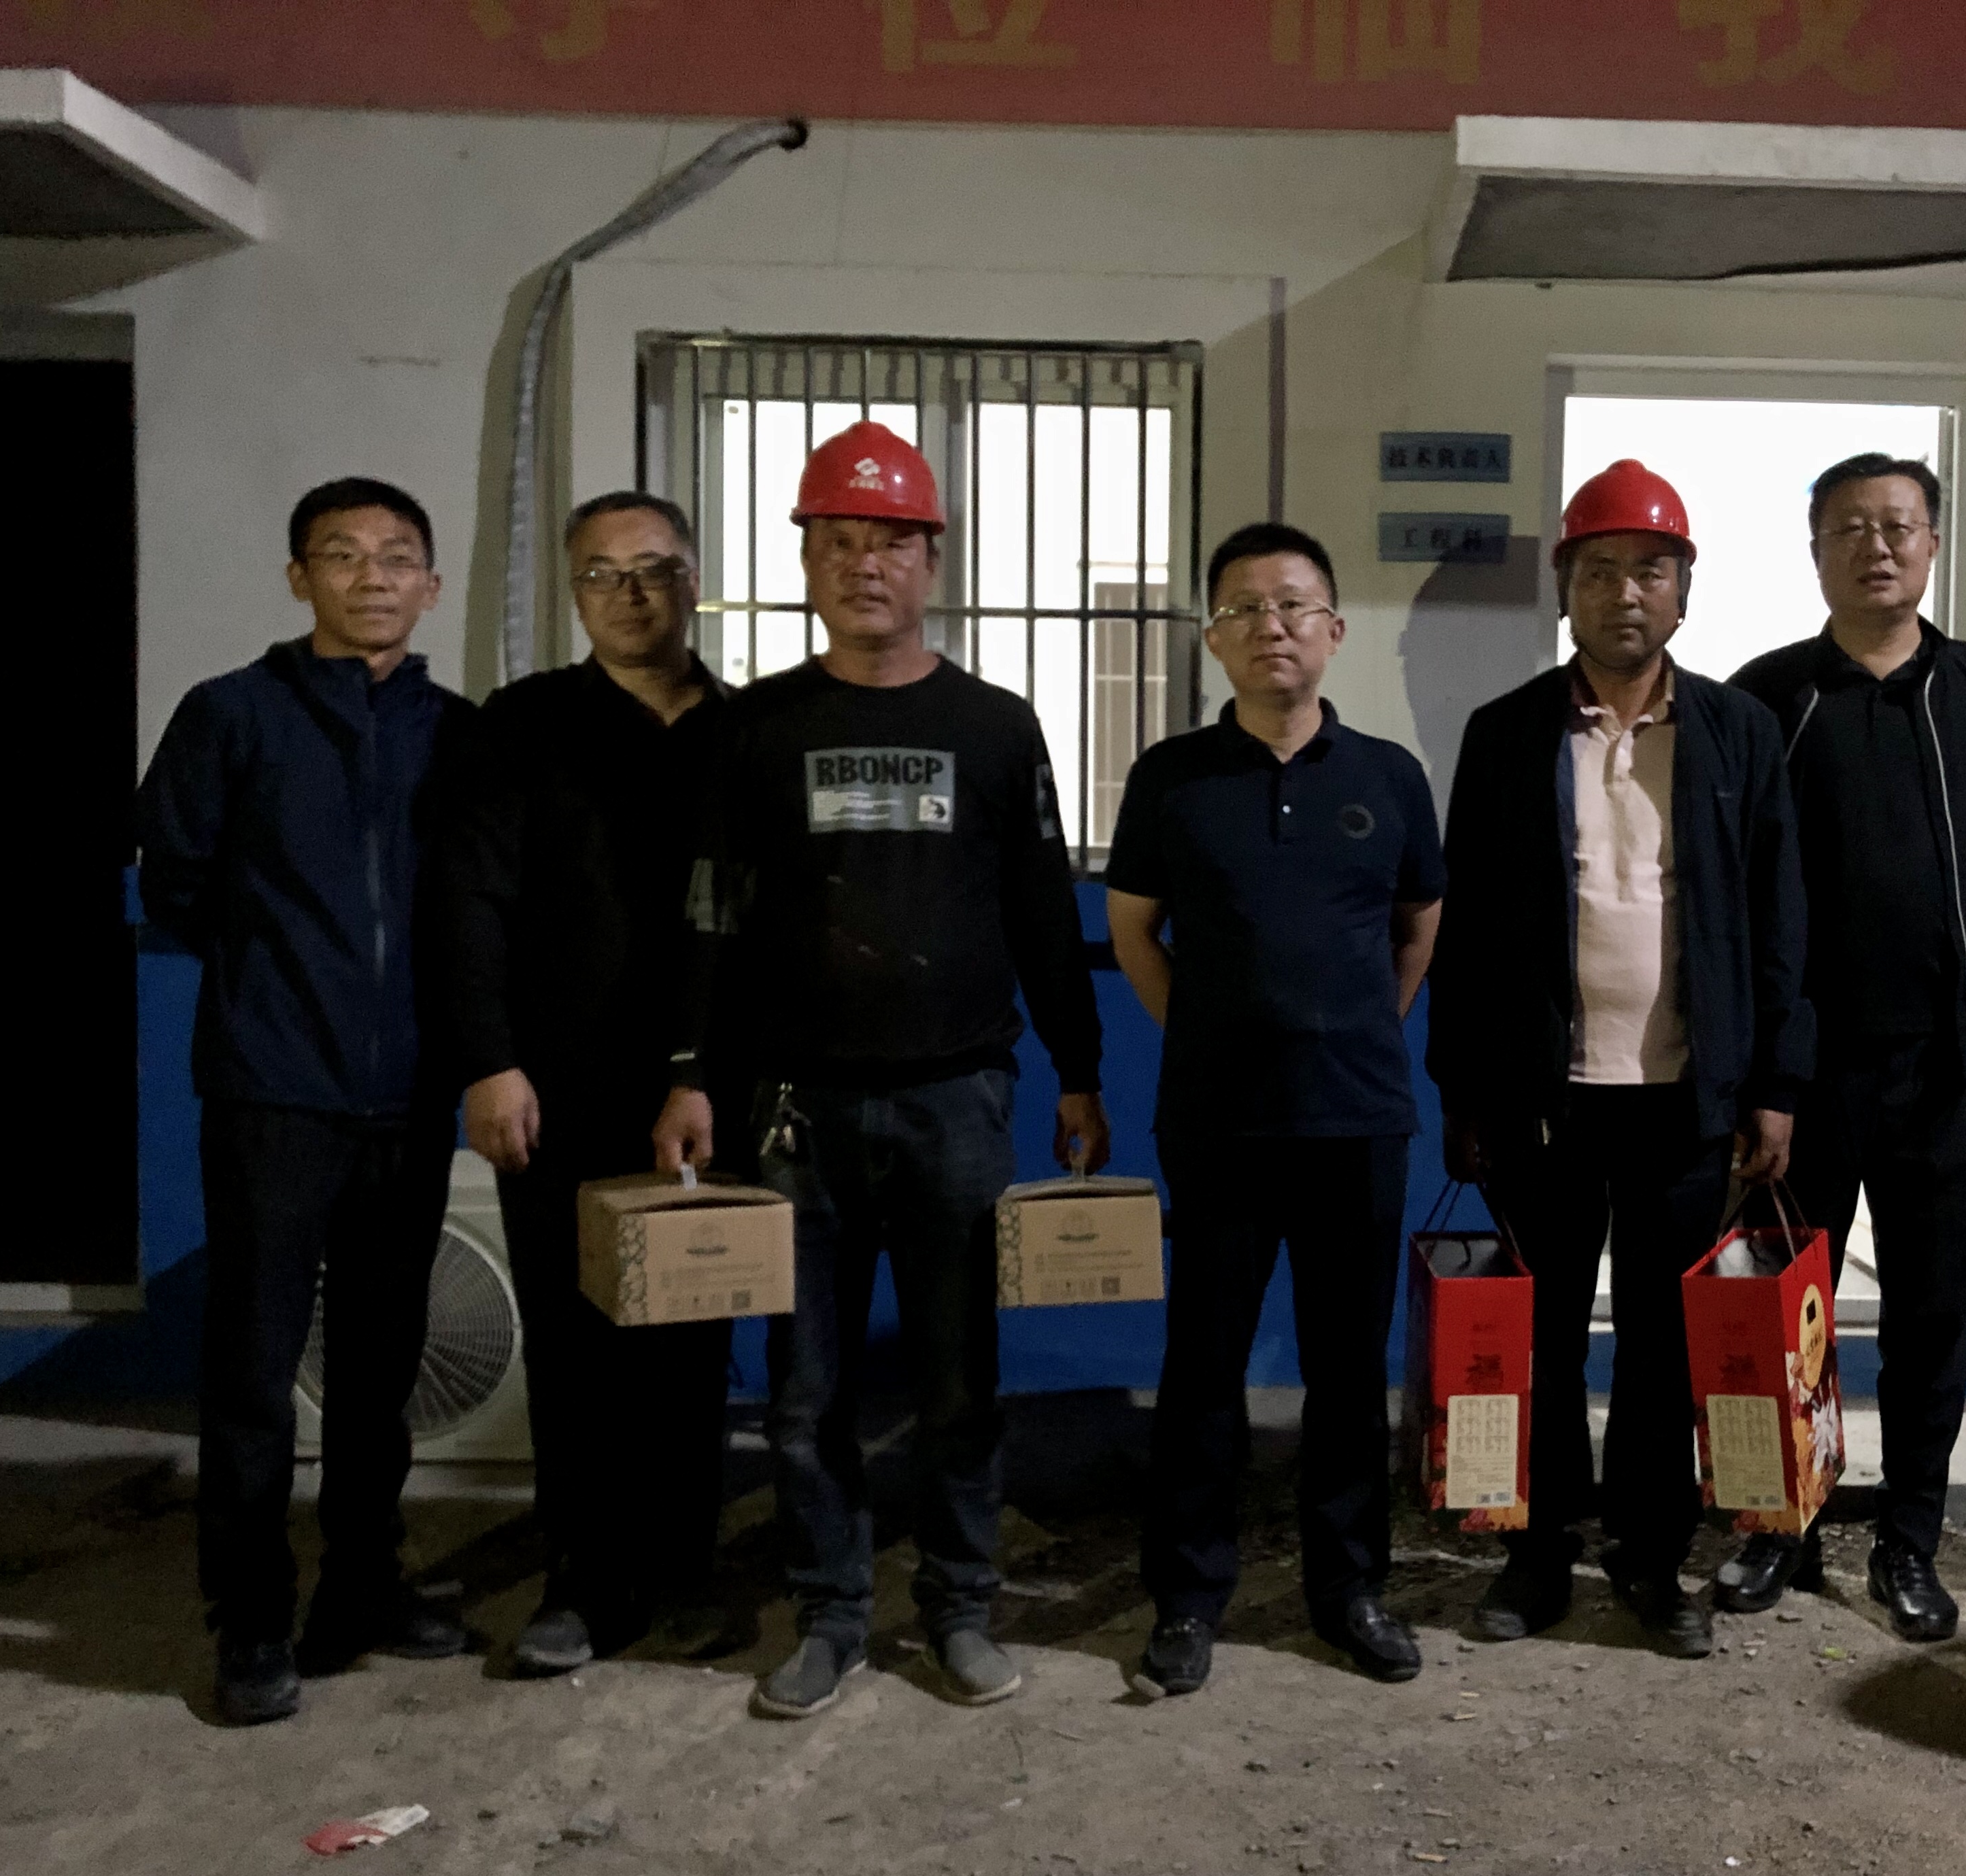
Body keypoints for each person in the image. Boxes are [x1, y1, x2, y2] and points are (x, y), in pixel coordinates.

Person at [654, 422, 1108, 1718]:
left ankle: (960, 1610)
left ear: (932, 564)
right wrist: (689, 1072)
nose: (866, 564)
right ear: (807, 559)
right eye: (840, 541)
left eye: (892, 543)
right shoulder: (755, 729)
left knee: (961, 1387)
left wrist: (1079, 1072)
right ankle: (831, 1615)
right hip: (794, 1110)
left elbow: (1041, 914)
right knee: (807, 1396)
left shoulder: (997, 728)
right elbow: (711, 913)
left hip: (959, 1102)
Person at [1431, 460, 1809, 1660]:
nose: (1626, 592)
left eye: (1651, 570)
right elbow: (1465, 928)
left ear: (1684, 592)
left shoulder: (1740, 734)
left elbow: (1779, 918)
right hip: (1543, 1099)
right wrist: (1463, 1090)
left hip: (1686, 1100)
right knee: (1538, 1334)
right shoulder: (1505, 735)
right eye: (1600, 570)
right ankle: (1536, 1554)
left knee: (1661, 1342)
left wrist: (1773, 1085)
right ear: (1567, 589)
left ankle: (1650, 1557)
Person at [135, 478, 473, 1726]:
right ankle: (251, 1619)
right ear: (299, 579)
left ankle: (364, 1585)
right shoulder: (230, 714)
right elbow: (176, 882)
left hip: (410, 1101)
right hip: (273, 1096)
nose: (372, 576)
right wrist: (277, 986)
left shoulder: (459, 732)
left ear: (431, 584)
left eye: (397, 556)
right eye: (342, 555)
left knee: (381, 1370)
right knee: (253, 1372)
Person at [1106, 522, 1445, 1699]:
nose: (1272, 627)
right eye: (1244, 608)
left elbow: (1419, 929)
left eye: (1294, 605)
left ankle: (1349, 1591)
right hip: (1217, 1123)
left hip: (1357, 1121)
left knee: (1348, 1373)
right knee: (1202, 1369)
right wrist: (1205, 1035)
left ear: (1334, 630)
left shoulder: (1389, 779)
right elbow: (1134, 931)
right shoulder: (1171, 778)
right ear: (1214, 639)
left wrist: (1358, 1031)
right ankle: (1187, 1598)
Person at [1728, 453, 1966, 1643]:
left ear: (1933, 545)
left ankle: (1910, 1542)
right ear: (1816, 549)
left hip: (1945, 1073)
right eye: (1851, 528)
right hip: (1802, 1082)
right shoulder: (1769, 697)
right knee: (1783, 1316)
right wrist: (1771, 1067)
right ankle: (1780, 1526)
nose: (1878, 547)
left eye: (1900, 526)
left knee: (1929, 1320)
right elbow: (1742, 884)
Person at [428, 490, 735, 1677]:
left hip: (710, 1090)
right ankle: (583, 1577)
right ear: (574, 593)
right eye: (602, 574)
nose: (630, 594)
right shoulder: (524, 724)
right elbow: (468, 901)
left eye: (653, 570)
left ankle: (687, 1569)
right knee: (575, 1341)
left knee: (692, 1338)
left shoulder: (744, 731)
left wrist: (712, 1069)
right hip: (555, 1087)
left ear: (693, 582)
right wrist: (488, 1062)